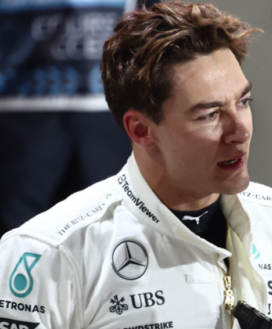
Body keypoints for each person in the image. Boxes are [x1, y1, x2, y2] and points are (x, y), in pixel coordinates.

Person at [0, 3, 272, 329]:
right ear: (142, 130)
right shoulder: (49, 252)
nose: (240, 130)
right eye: (210, 114)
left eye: (243, 102)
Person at [0, 0, 159, 237]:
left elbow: (156, 27)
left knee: (109, 230)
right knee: (16, 239)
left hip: (107, 118)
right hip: (19, 118)